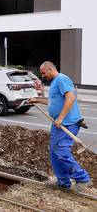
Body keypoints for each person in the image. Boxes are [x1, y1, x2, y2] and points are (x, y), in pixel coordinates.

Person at [28, 61, 91, 192]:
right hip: (59, 123)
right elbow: (52, 102)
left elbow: (71, 97)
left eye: (44, 73)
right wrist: (36, 99)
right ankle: (63, 182)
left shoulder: (62, 79)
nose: (43, 76)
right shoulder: (54, 82)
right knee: (54, 152)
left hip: (67, 123)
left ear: (50, 69)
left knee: (61, 152)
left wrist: (61, 117)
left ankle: (83, 178)